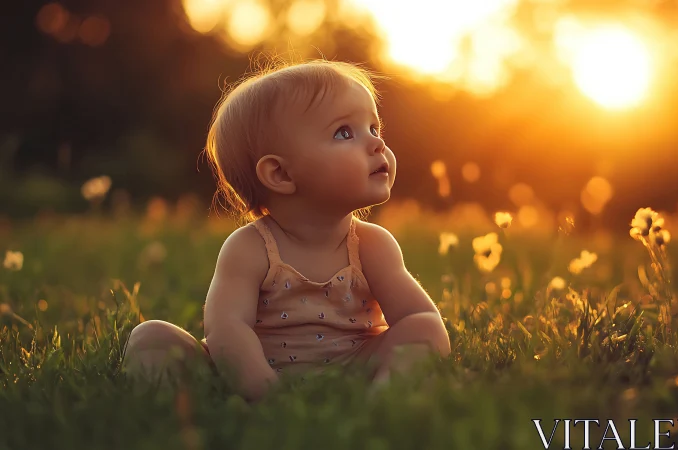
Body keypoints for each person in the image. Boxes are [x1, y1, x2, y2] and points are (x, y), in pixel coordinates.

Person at [121, 59, 451, 403]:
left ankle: (381, 403)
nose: (377, 144)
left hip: (353, 366)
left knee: (425, 329)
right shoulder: (250, 248)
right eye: (344, 132)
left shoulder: (372, 245)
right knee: (150, 338)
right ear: (280, 174)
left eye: (374, 128)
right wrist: (265, 391)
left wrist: (411, 342)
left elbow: (418, 316)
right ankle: (180, 410)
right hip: (255, 369)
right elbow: (226, 329)